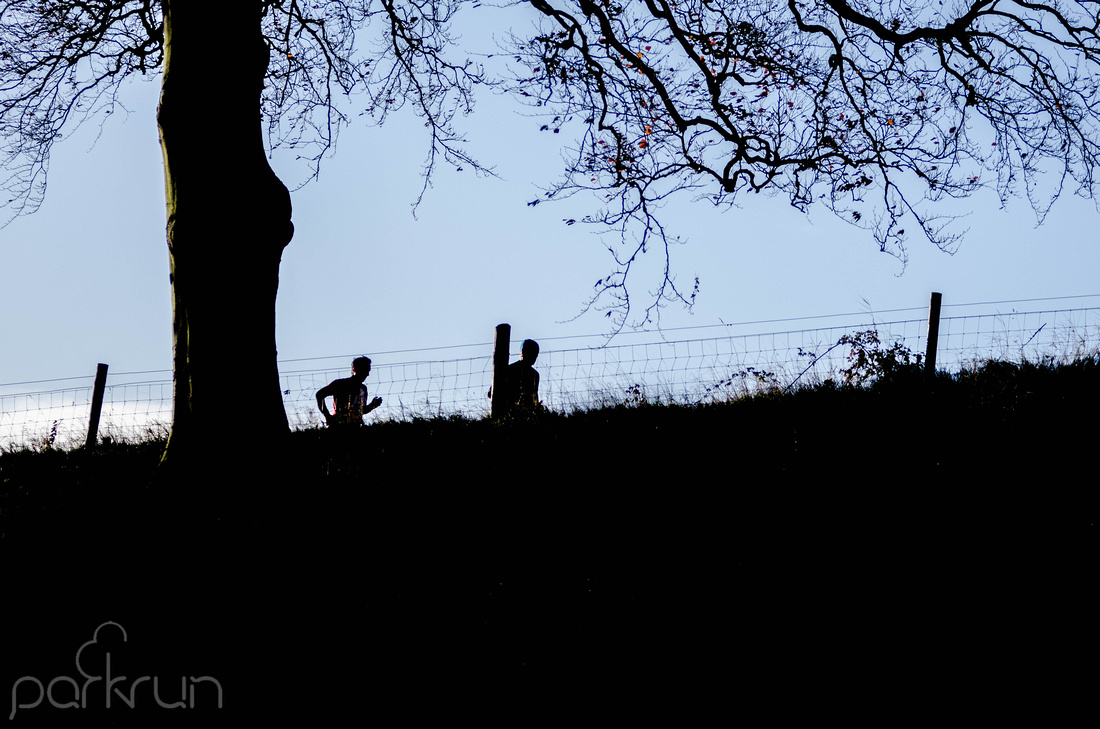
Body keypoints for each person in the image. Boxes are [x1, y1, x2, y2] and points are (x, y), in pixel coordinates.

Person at [316, 356, 382, 426]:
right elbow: (319, 395)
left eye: (368, 371)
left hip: (355, 427)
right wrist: (327, 416)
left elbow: (361, 410)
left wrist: (373, 405)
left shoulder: (363, 389)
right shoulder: (340, 384)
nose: (367, 374)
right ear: (355, 369)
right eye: (365, 371)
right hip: (338, 426)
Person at [489, 339, 541, 414]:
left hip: (524, 414)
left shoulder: (534, 374)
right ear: (522, 352)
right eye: (531, 353)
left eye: (535, 354)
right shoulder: (509, 370)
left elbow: (534, 398)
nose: (534, 357)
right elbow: (492, 392)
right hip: (507, 412)